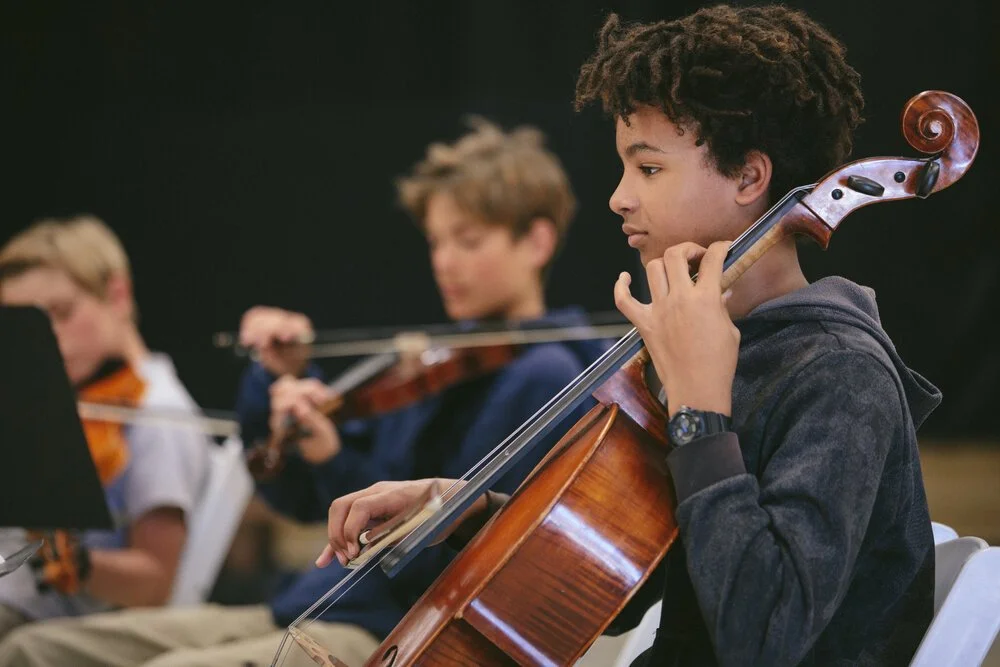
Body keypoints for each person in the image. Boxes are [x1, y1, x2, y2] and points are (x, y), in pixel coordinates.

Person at [321, 6, 939, 666]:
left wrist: (702, 410)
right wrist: (459, 506)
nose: (618, 196)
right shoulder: (715, 343)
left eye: (647, 169)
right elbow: (631, 580)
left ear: (749, 177)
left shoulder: (839, 372)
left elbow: (765, 635)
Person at [0, 119, 608, 666]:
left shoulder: (547, 377)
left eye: (468, 241)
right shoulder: (439, 362)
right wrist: (277, 382)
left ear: (536, 242)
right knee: (33, 650)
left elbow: (455, 556)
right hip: (307, 605)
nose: (445, 262)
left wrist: (336, 460)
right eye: (436, 241)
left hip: (389, 627)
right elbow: (296, 497)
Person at [0, 216, 210, 639]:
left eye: (59, 314)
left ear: (117, 295)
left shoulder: (157, 412)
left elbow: (155, 582)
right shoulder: (61, 400)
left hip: (46, 624)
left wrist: (77, 564)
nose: (47, 338)